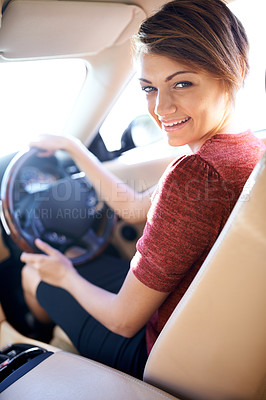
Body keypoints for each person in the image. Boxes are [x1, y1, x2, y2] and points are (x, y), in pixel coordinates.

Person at [20, 0, 265, 380]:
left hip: (158, 355)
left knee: (32, 275)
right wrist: (74, 147)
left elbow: (122, 321)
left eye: (182, 83)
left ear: (235, 72)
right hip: (209, 344)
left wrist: (65, 275)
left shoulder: (197, 173)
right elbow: (134, 208)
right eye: (149, 88)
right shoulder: (248, 150)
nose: (161, 108)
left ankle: (31, 346)